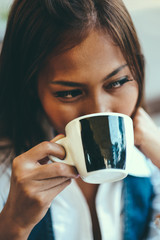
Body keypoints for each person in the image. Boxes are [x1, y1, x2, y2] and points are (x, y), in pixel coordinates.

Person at [0, 0, 160, 239]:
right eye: (69, 93)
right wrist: (14, 225)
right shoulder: (6, 176)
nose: (99, 110)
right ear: (32, 88)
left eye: (116, 82)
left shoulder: (150, 162)